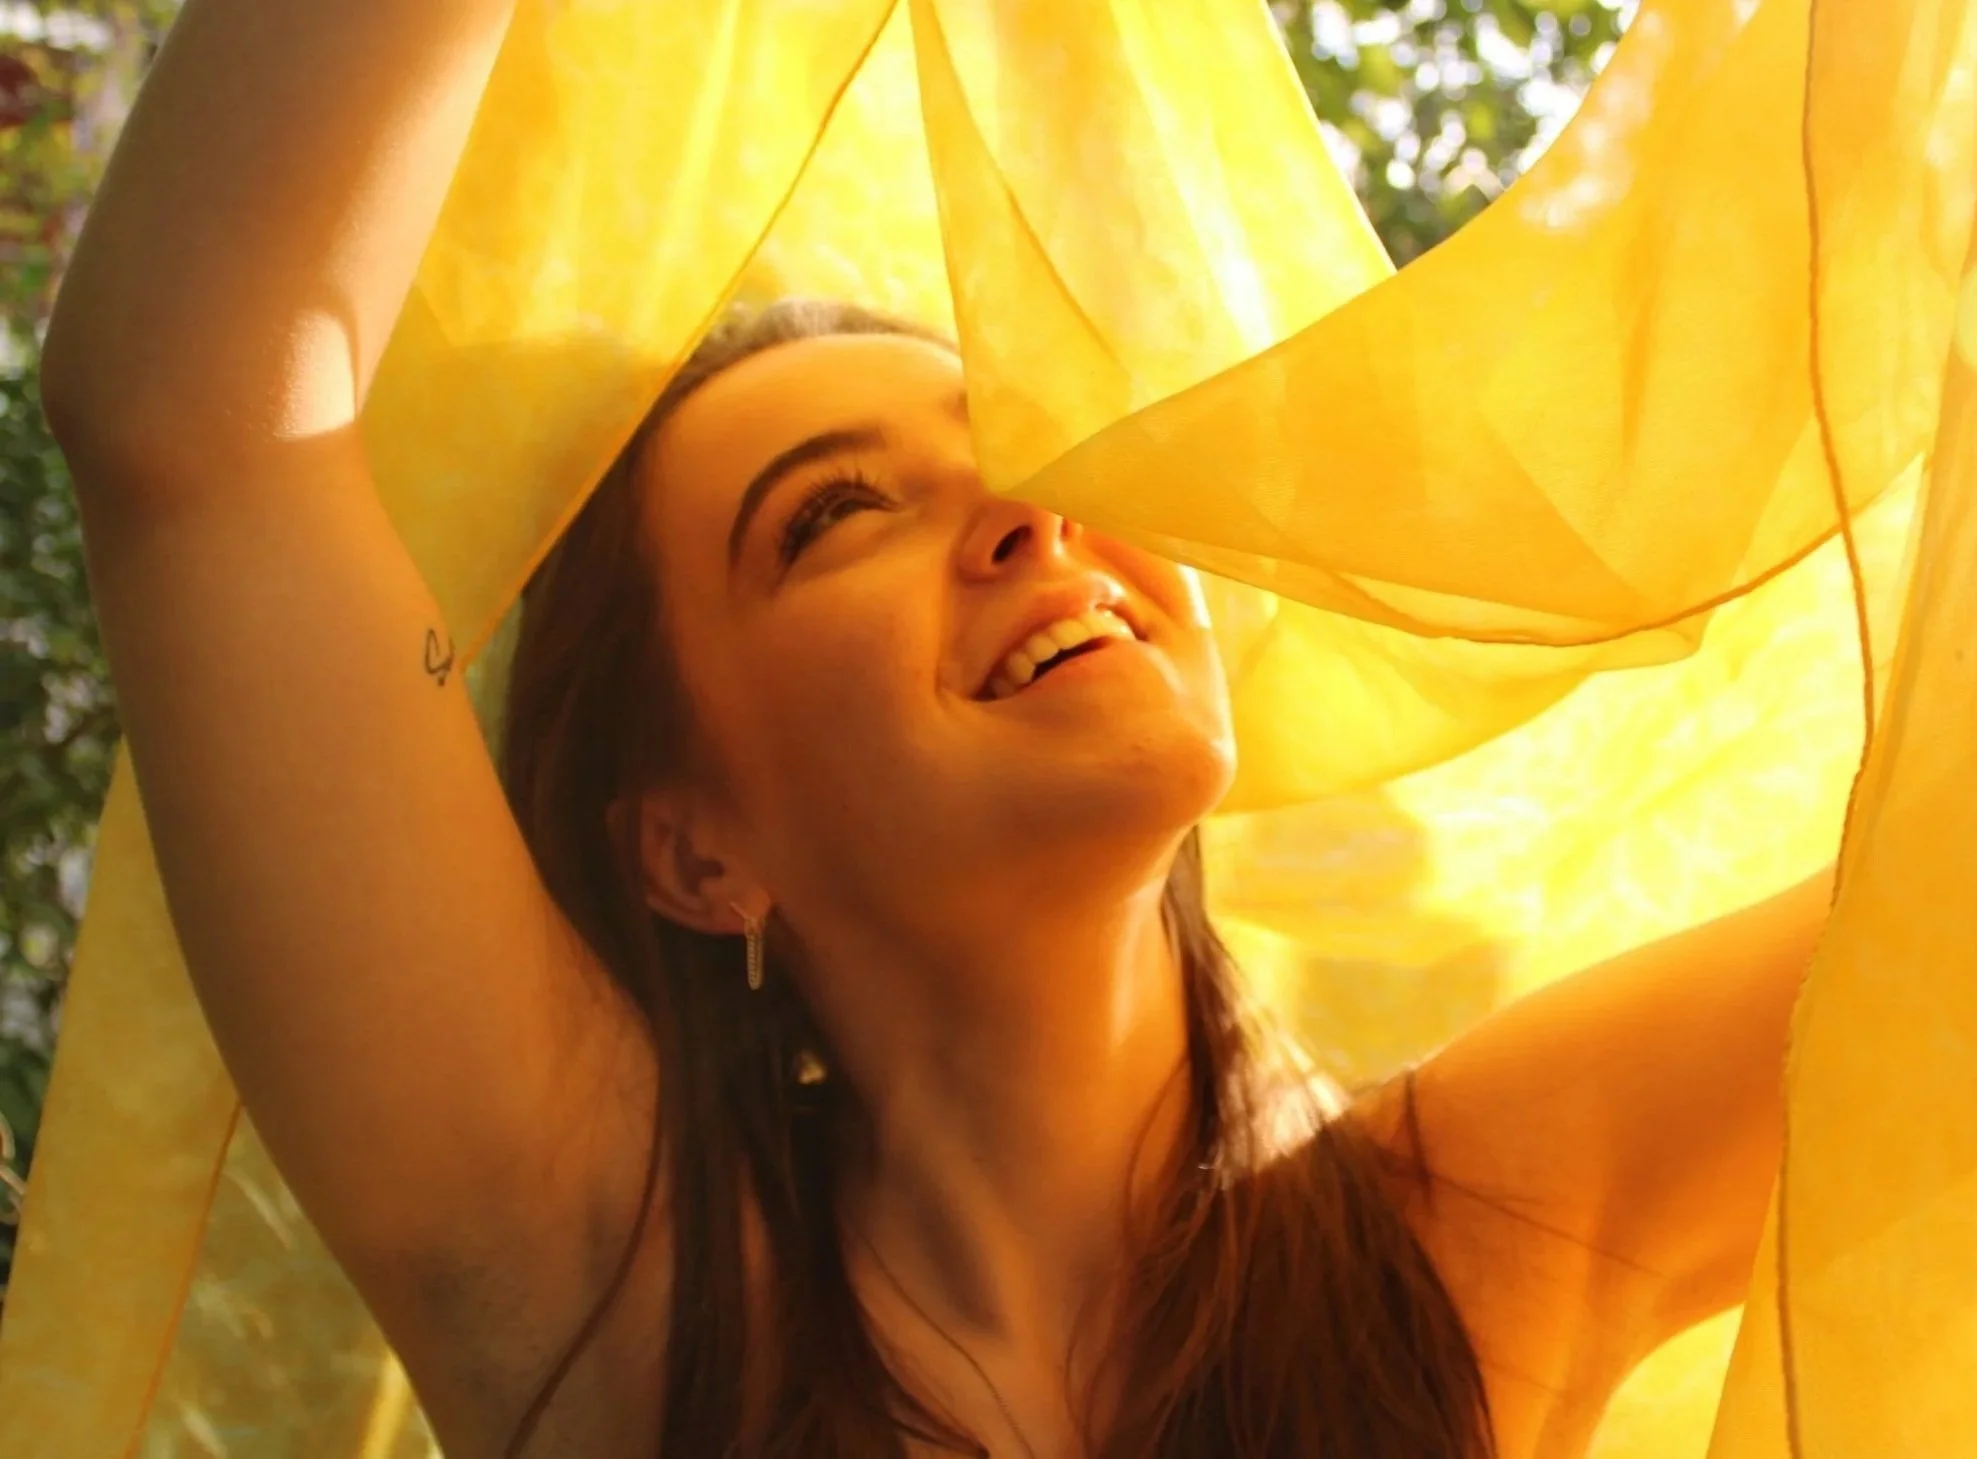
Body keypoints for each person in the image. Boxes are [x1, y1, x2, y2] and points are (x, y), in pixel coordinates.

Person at [39, 2, 1833, 1455]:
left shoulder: (1478, 1227)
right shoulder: (623, 1301)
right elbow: (195, 417)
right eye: (834, 516)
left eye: (1040, 445)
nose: (1032, 516)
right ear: (694, 848)